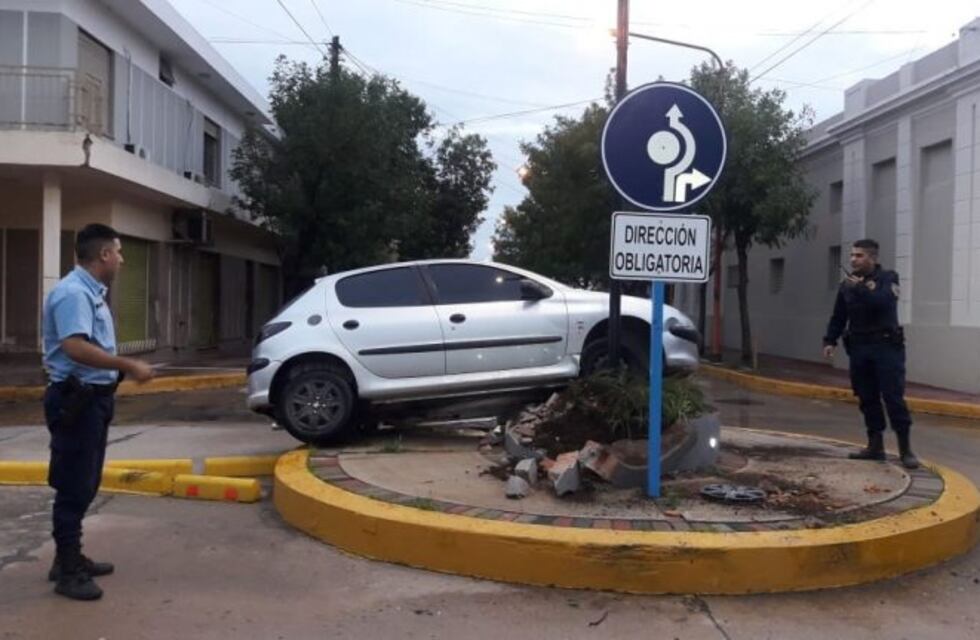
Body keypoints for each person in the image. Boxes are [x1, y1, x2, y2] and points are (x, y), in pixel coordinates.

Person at [41, 223, 155, 601]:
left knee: (85, 482)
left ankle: (68, 557)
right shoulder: (74, 294)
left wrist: (116, 369)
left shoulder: (91, 293)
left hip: (92, 399)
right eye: (119, 252)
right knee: (74, 486)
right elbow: (75, 347)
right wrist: (128, 364)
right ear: (104, 254)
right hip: (77, 401)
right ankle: (68, 572)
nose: (122, 260)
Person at [822, 238, 919, 470]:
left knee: (893, 397)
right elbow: (839, 315)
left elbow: (884, 303)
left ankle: (906, 449)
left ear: (872, 258)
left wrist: (862, 289)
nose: (853, 259)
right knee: (867, 397)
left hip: (886, 347)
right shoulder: (847, 285)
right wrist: (830, 340)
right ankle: (875, 446)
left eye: (859, 255)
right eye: (852, 255)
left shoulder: (888, 279)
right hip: (859, 347)